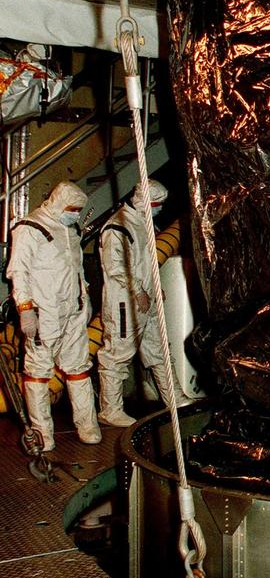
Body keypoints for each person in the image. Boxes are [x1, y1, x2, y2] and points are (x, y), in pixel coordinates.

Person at [7, 180, 101, 450]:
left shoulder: (68, 229)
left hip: (72, 311)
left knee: (79, 369)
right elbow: (18, 272)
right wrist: (25, 310)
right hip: (43, 314)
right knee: (37, 373)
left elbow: (76, 268)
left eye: (78, 210)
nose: (75, 213)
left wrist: (84, 300)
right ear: (59, 203)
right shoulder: (30, 228)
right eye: (71, 208)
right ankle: (42, 434)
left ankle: (87, 425)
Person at [97, 179, 178, 427]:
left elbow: (145, 262)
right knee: (117, 355)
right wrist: (138, 290)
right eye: (156, 204)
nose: (159, 209)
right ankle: (110, 410)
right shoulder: (119, 226)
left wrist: (155, 288)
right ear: (143, 202)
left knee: (159, 349)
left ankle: (173, 399)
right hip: (125, 303)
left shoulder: (143, 224)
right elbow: (116, 266)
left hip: (145, 299)